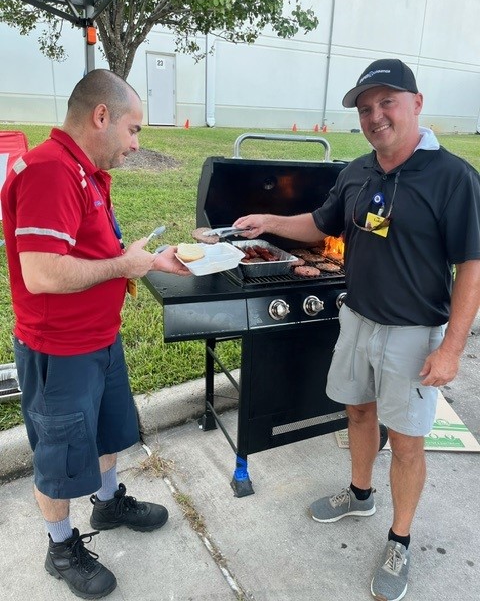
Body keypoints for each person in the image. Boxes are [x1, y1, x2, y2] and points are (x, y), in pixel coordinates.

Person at [233, 58, 480, 601]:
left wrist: (453, 349)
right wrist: (269, 221)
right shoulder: (356, 171)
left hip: (415, 333)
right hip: (357, 318)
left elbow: (472, 267)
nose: (375, 116)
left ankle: (400, 538)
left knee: (410, 443)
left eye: (386, 102)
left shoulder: (453, 177)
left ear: (416, 103)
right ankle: (360, 492)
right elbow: (321, 226)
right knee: (357, 411)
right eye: (366, 109)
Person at [0, 69, 190, 599]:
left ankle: (107, 505)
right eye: (132, 130)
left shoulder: (79, 171)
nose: (136, 145)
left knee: (107, 433)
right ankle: (60, 546)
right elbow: (41, 273)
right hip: (60, 351)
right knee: (58, 460)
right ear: (100, 116)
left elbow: (97, 254)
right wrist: (123, 268)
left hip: (99, 339)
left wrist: (149, 261)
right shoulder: (49, 171)